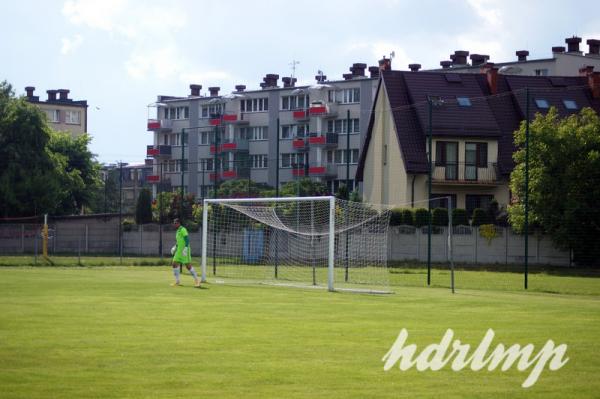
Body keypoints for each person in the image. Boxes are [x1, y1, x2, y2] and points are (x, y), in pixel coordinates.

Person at [170, 218, 200, 287]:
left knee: (188, 266)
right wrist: (175, 247)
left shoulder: (183, 229)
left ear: (179, 223)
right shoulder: (177, 231)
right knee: (174, 264)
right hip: (179, 251)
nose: (174, 224)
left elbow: (187, 239)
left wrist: (186, 248)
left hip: (185, 250)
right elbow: (178, 241)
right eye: (174, 223)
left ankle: (197, 281)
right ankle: (177, 282)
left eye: (175, 223)